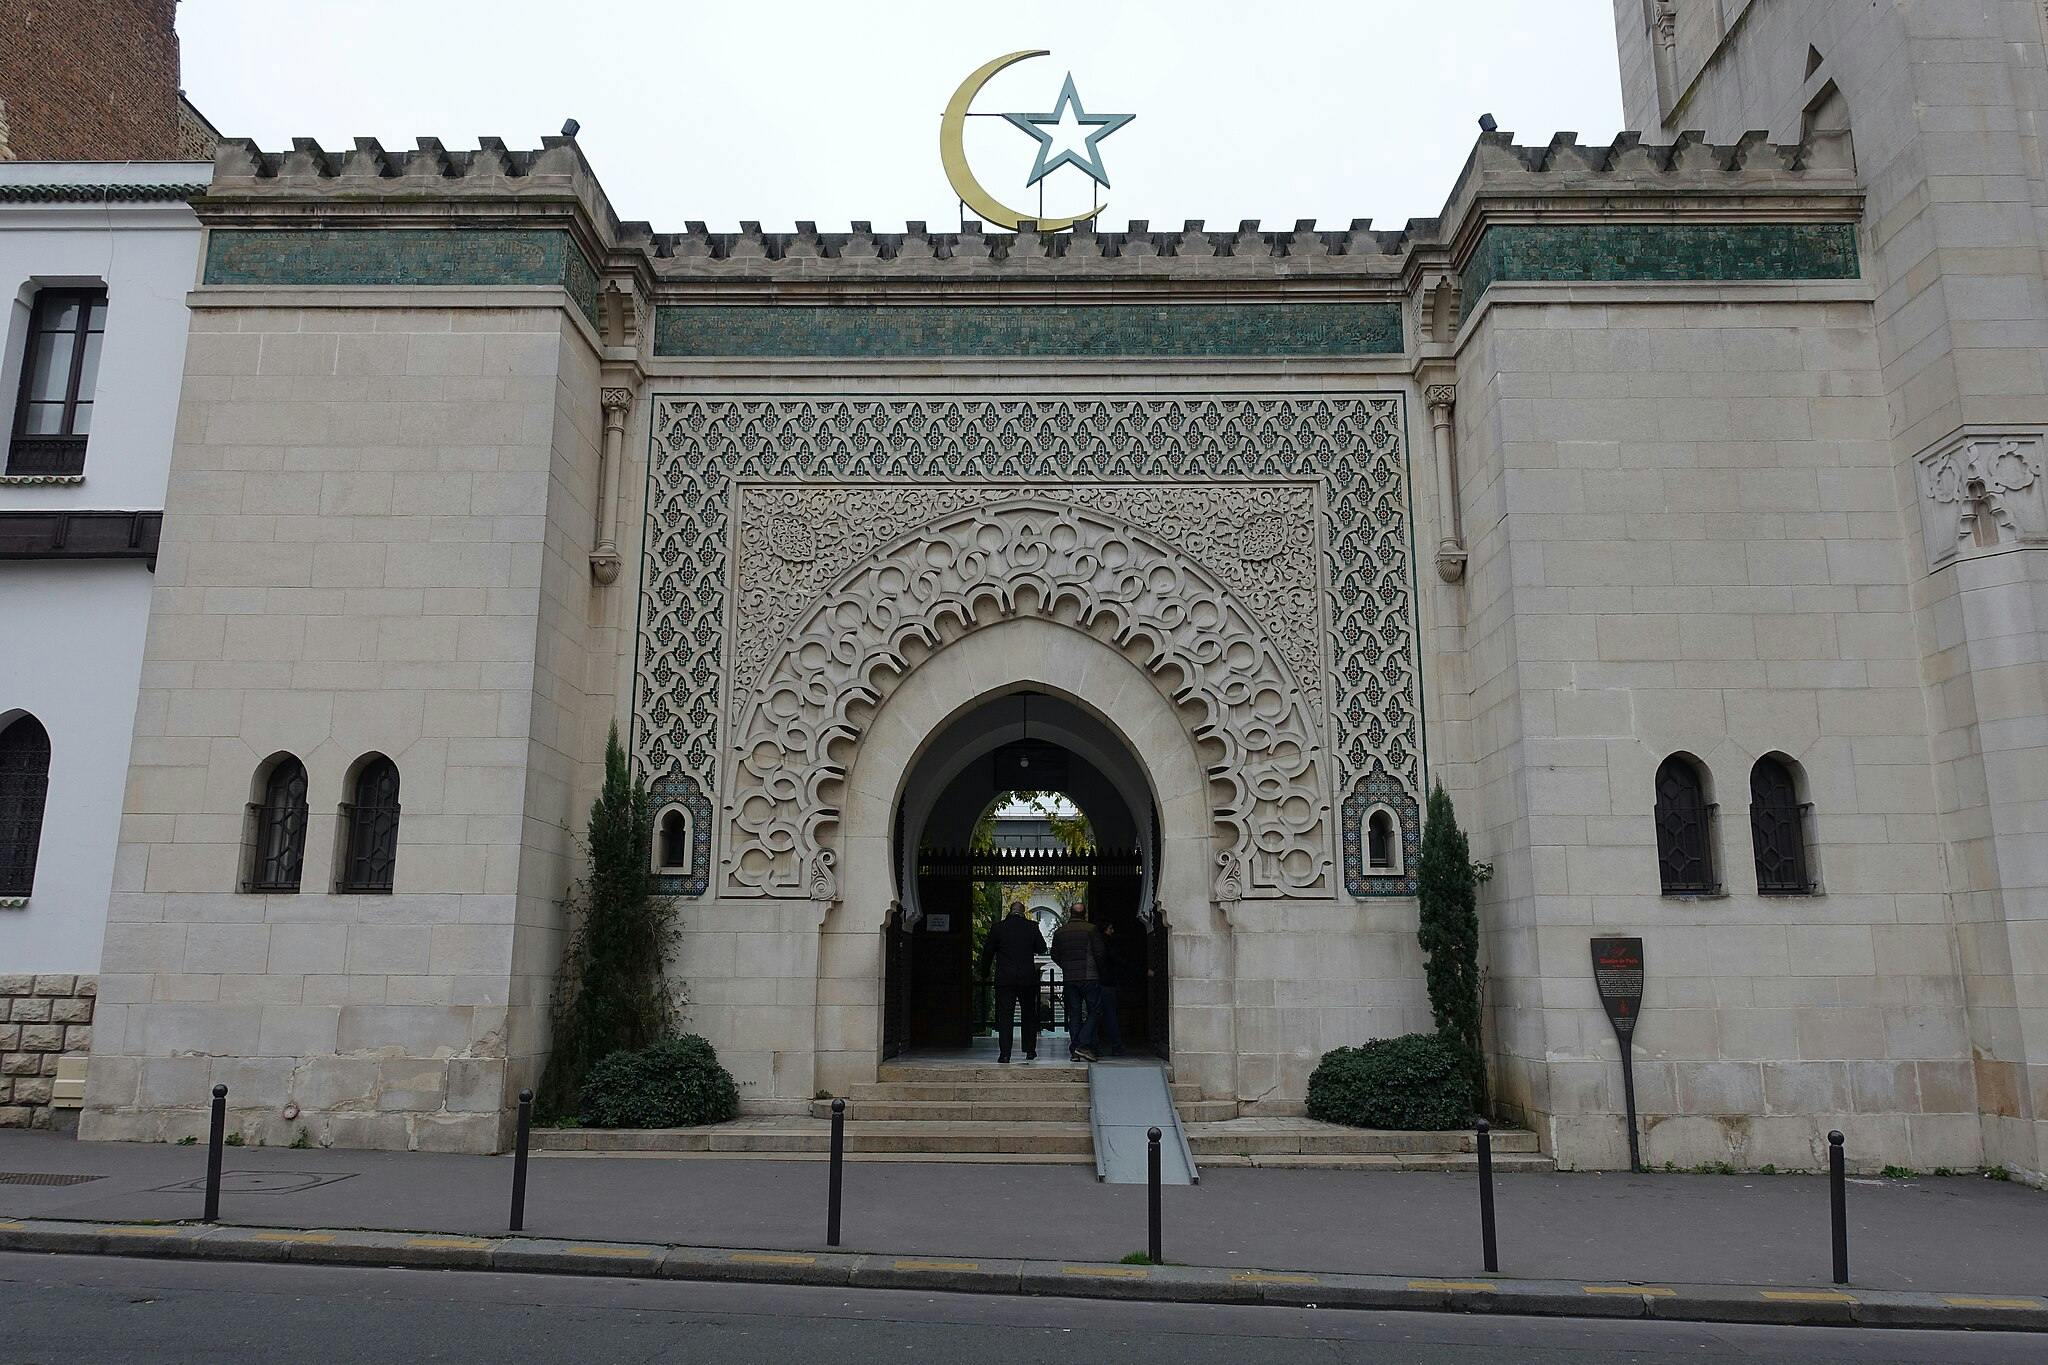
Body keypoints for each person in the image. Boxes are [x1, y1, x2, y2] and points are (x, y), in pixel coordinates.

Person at [980, 899, 1044, 1063]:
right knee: (1029, 1014)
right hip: (1027, 978)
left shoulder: (998, 928)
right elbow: (1041, 948)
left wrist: (984, 972)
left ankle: (1005, 1053)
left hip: (1005, 978)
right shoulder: (1032, 927)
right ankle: (1030, 1050)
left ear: (1010, 911)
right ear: (1023, 912)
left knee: (1005, 1016)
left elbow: (988, 952)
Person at [1050, 903, 1106, 1062]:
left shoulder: (1060, 932)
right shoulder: (1091, 930)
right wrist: (1101, 972)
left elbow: (1055, 954)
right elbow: (1100, 953)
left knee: (1074, 1014)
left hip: (1070, 978)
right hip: (1089, 976)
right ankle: (1081, 1044)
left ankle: (1075, 1051)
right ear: (1085, 914)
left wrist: (1066, 966)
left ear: (1070, 913)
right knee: (1095, 1011)